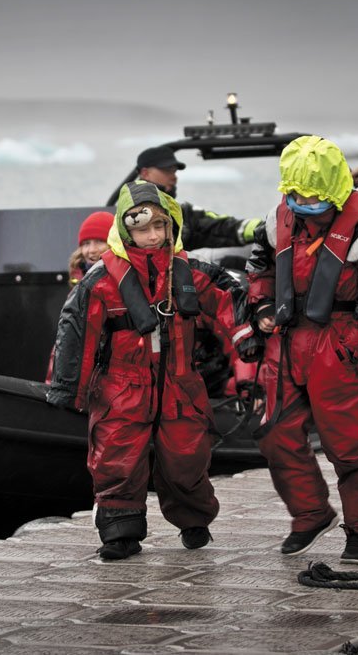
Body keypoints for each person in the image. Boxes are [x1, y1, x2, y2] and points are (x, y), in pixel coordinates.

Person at [47, 180, 258, 561]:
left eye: (160, 226)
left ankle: (195, 520)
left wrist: (246, 338)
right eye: (143, 228)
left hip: (180, 381)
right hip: (120, 385)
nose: (153, 235)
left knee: (186, 457)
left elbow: (229, 298)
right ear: (126, 231)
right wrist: (67, 390)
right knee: (117, 459)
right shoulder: (100, 280)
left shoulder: (191, 271)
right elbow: (78, 333)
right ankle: (119, 533)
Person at [246, 136, 358, 564]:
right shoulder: (276, 220)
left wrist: (353, 346)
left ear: (333, 187)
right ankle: (310, 514)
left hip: (339, 340)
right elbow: (259, 269)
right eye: (297, 193)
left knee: (349, 445)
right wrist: (260, 308)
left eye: (314, 194)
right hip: (286, 338)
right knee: (275, 433)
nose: (305, 201)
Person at [136, 146, 265, 250]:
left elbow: (219, 227)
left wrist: (264, 228)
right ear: (145, 173)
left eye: (174, 171)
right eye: (167, 170)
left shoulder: (183, 214)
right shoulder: (126, 215)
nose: (174, 177)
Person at [68, 211, 113, 286]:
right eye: (86, 243)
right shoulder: (78, 281)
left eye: (99, 241)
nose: (92, 250)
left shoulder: (127, 280)